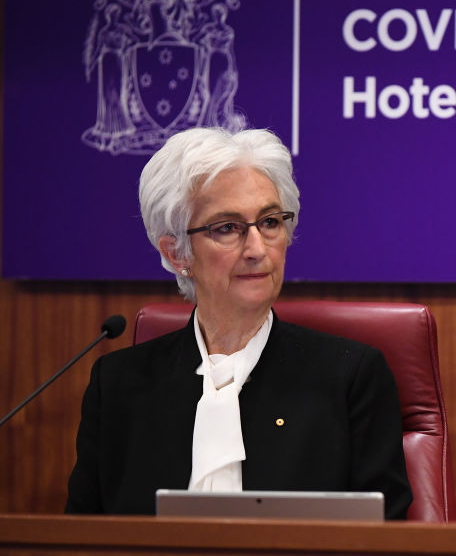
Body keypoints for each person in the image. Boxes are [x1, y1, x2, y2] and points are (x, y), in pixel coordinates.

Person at [66, 127, 412, 518]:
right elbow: (82, 537)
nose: (257, 249)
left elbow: (384, 536)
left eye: (270, 222)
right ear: (177, 253)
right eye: (227, 228)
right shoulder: (118, 385)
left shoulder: (351, 378)